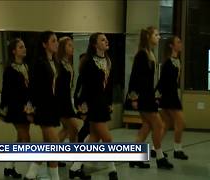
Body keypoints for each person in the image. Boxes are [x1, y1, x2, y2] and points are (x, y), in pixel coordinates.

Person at [70, 33, 117, 180]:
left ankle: (75, 167)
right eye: (102, 40)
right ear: (94, 45)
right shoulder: (89, 61)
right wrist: (81, 106)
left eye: (106, 39)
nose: (106, 41)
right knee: (107, 138)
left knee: (94, 139)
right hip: (92, 105)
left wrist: (109, 102)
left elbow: (109, 86)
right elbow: (83, 86)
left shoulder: (108, 60)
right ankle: (112, 170)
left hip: (102, 104)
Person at [127, 26, 173, 169]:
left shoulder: (149, 53)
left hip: (148, 95)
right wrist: (134, 98)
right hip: (144, 97)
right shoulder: (142, 54)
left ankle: (135, 158)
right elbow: (134, 77)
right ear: (148, 37)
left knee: (146, 127)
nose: (158, 37)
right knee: (158, 125)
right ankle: (159, 158)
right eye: (156, 35)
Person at [24, 31, 60, 180]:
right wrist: (30, 108)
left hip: (51, 106)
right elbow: (33, 87)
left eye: (56, 40)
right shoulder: (39, 62)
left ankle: (31, 174)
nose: (56, 43)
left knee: (48, 145)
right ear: (44, 44)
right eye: (53, 41)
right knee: (55, 143)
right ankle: (54, 178)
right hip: (42, 107)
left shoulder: (54, 62)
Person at [0, 38, 33, 178]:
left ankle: (8, 166)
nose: (24, 49)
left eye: (24, 46)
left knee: (21, 138)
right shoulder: (9, 69)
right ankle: (33, 171)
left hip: (26, 107)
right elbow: (7, 91)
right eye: (20, 47)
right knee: (26, 139)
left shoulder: (26, 66)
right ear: (13, 51)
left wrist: (30, 105)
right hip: (15, 108)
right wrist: (4, 108)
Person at [156, 36, 188, 160]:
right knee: (181, 122)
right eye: (178, 42)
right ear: (171, 45)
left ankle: (155, 148)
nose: (180, 44)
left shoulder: (177, 60)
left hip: (172, 95)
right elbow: (163, 81)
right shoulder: (168, 62)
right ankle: (177, 149)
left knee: (167, 124)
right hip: (169, 97)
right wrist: (158, 96)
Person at [56, 36, 79, 145]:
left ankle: (53, 155)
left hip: (67, 99)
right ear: (62, 47)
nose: (72, 48)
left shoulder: (68, 63)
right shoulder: (59, 64)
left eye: (72, 45)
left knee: (67, 129)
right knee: (74, 127)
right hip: (61, 100)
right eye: (69, 45)